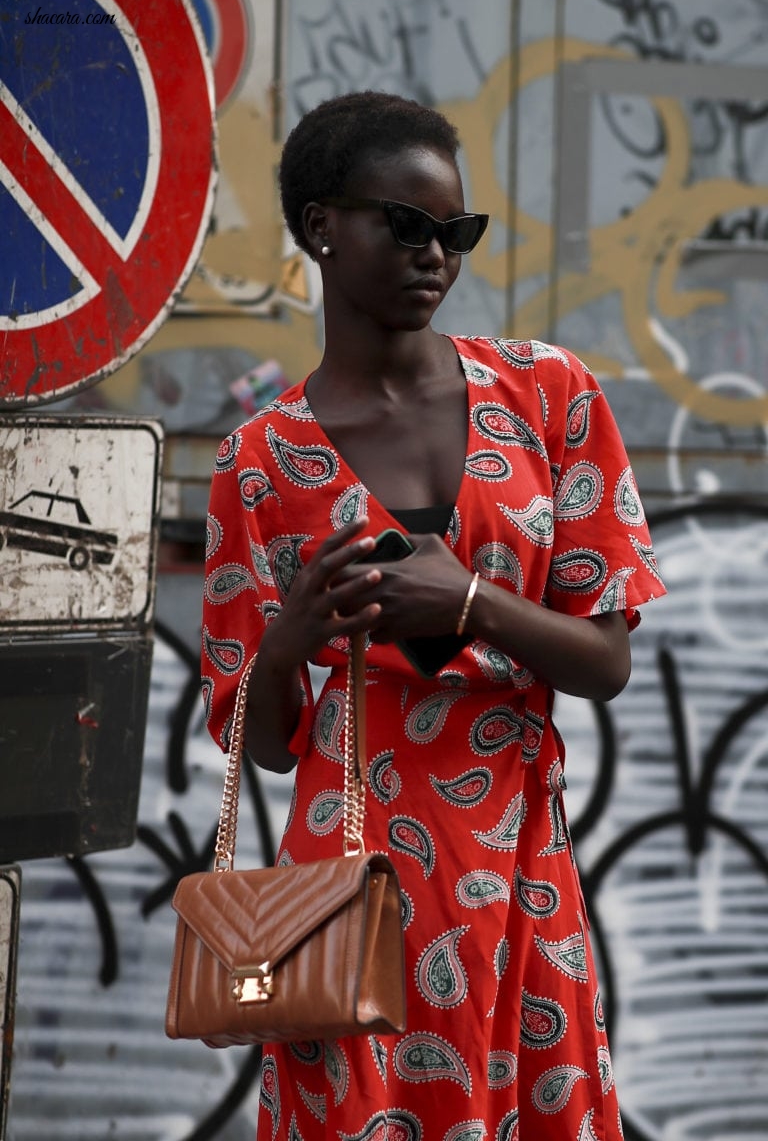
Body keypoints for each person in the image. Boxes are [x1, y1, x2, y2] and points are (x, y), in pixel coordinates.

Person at [201, 90, 666, 1141]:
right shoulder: (259, 464)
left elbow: (604, 662)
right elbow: (260, 742)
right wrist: (288, 643)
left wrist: (469, 599)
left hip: (523, 873)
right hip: (347, 883)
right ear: (321, 226)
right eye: (405, 226)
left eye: (454, 234)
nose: (436, 257)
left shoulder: (549, 396)